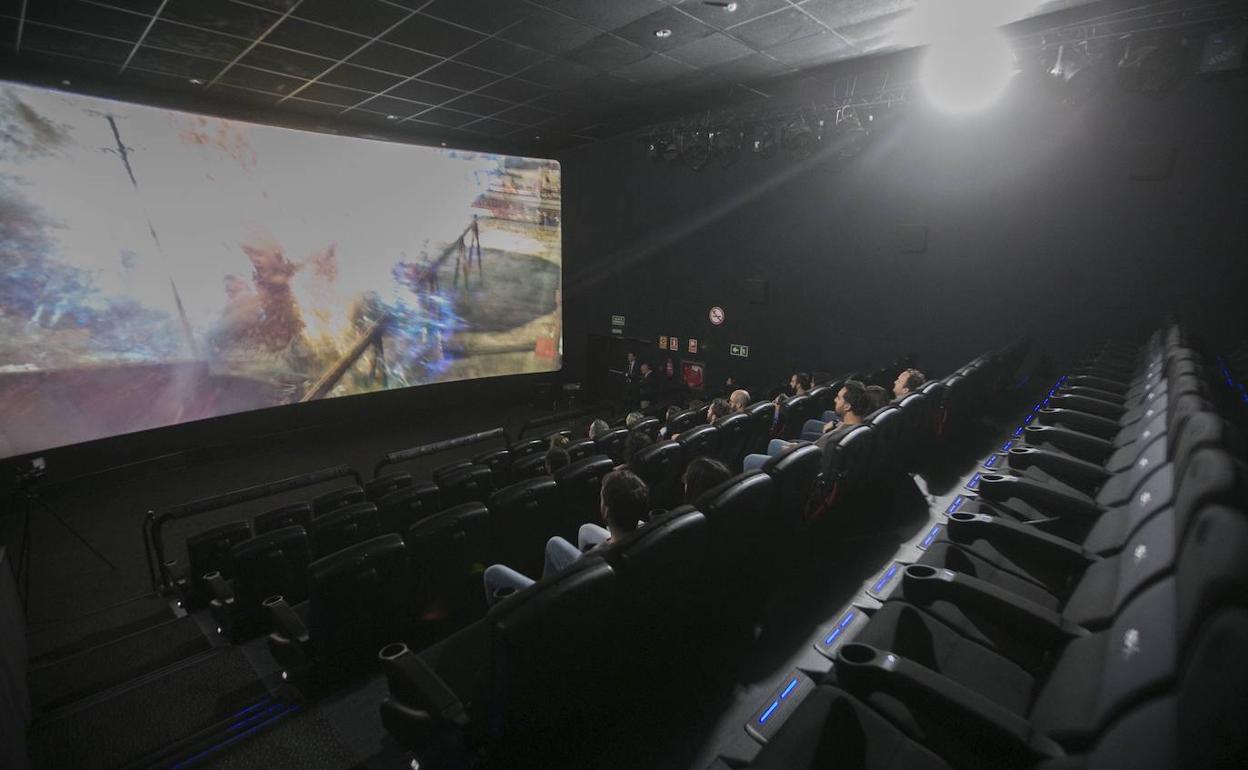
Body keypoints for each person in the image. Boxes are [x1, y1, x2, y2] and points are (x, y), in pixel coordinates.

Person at [482, 469, 649, 605]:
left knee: (493, 573)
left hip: (566, 598)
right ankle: (546, 583)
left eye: (601, 499)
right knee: (557, 542)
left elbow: (575, 581)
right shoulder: (647, 532)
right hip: (614, 562)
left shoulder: (590, 561)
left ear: (605, 511)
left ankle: (542, 594)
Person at [745, 380, 869, 470]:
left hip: (803, 465)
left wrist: (794, 451)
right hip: (808, 452)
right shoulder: (854, 426)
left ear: (847, 406)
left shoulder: (837, 439)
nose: (834, 400)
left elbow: (816, 460)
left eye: (838, 398)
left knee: (750, 459)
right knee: (774, 443)